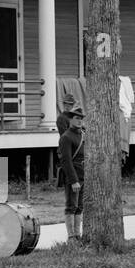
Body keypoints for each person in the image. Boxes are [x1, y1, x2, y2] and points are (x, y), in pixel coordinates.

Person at [57, 104, 87, 242]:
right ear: (70, 120)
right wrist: (74, 180)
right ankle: (71, 237)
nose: (80, 121)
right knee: (71, 206)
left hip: (83, 175)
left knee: (80, 206)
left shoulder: (82, 134)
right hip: (73, 176)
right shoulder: (66, 137)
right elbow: (66, 161)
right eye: (76, 118)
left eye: (81, 118)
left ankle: (77, 234)